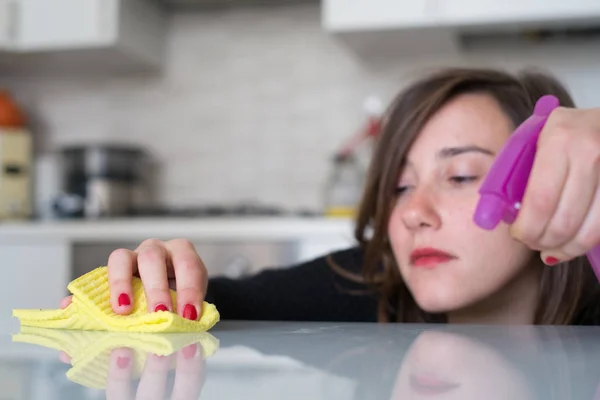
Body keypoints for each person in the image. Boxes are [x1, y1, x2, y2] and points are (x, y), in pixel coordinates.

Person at [60, 67, 600, 325]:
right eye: (398, 188)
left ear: (552, 184)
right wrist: (155, 281)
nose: (413, 214)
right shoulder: (368, 286)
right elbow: (227, 302)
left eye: (460, 176)